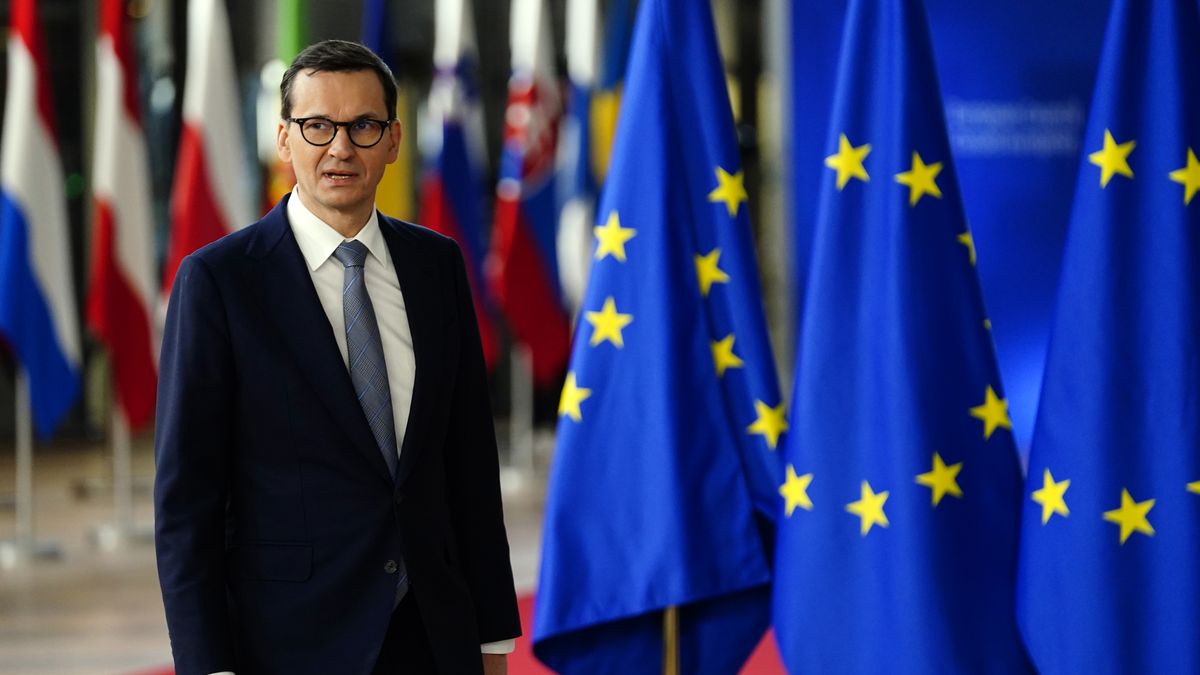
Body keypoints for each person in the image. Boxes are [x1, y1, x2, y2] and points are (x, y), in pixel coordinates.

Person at [154, 40, 520, 675]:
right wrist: (206, 663)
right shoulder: (218, 283)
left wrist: (492, 640)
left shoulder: (438, 266)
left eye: (364, 126)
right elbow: (188, 504)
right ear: (284, 139)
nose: (341, 147)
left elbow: (469, 468)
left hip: (433, 637)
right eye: (317, 126)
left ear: (395, 139)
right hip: (291, 644)